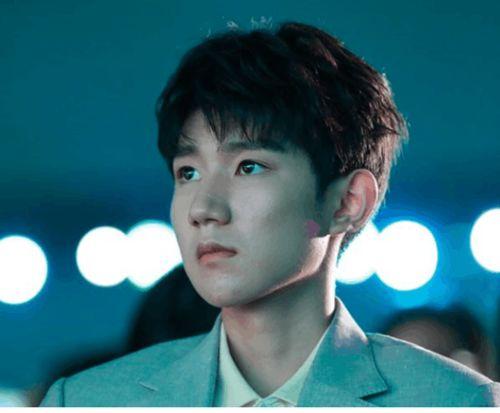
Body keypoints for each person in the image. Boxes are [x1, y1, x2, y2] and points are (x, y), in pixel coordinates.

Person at [40, 21, 500, 407]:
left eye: (249, 166)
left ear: (347, 202)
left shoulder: (452, 400)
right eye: (187, 172)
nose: (203, 209)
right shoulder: (85, 401)